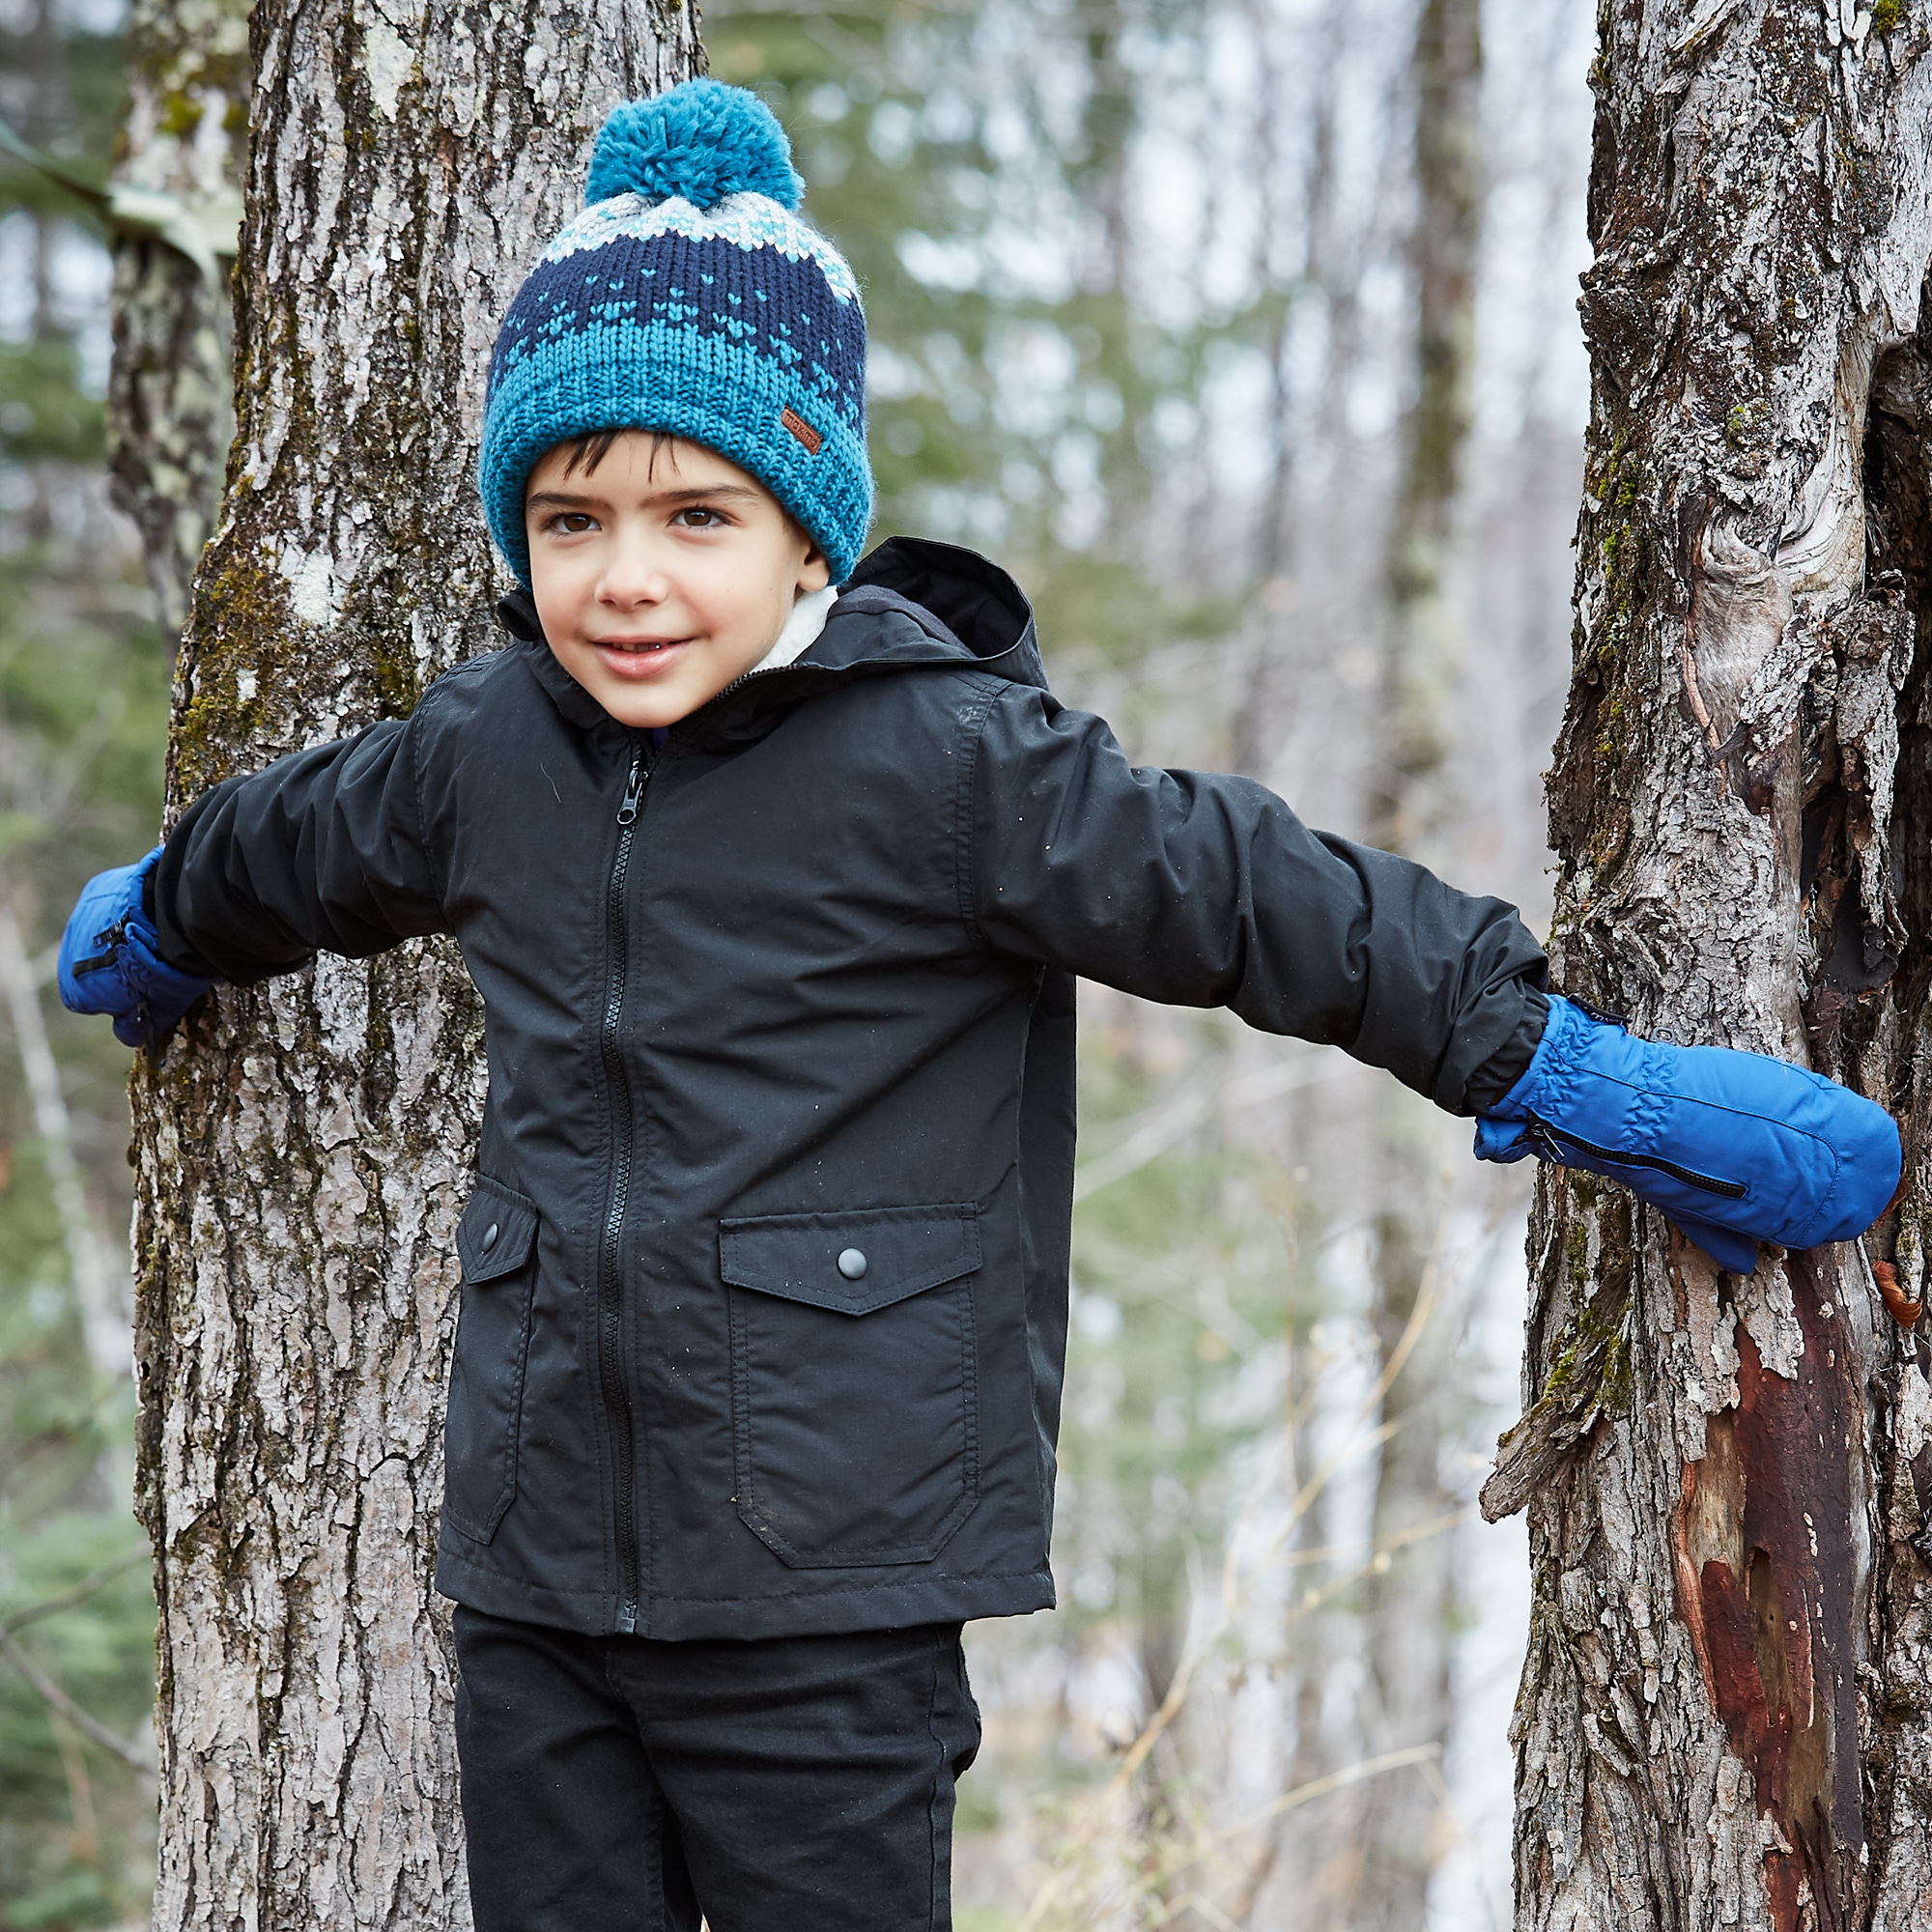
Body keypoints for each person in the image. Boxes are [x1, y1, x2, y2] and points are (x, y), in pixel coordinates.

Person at [57, 78, 1899, 1932]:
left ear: (806, 537)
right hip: (536, 1587)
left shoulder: (947, 763)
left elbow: (1259, 902)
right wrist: (165, 920)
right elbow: (297, 845)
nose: (623, 578)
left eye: (696, 513)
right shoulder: (491, 747)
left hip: (826, 1599)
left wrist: (1574, 1069)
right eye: (568, 518)